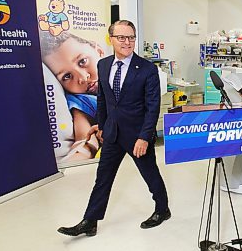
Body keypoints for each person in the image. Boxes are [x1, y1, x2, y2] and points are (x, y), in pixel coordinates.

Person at [57, 20, 170, 237]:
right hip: (111, 133)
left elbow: (152, 106)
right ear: (111, 39)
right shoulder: (104, 64)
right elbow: (103, 99)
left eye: (131, 37)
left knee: (150, 174)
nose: (127, 42)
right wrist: (101, 123)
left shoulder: (147, 69)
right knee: (103, 178)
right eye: (121, 37)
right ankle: (90, 221)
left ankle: (162, 209)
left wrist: (145, 136)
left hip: (137, 135)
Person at [40, 32, 105, 161]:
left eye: (83, 61)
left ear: (99, 51)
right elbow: (84, 138)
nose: (82, 78)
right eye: (67, 76)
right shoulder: (81, 101)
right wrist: (81, 153)